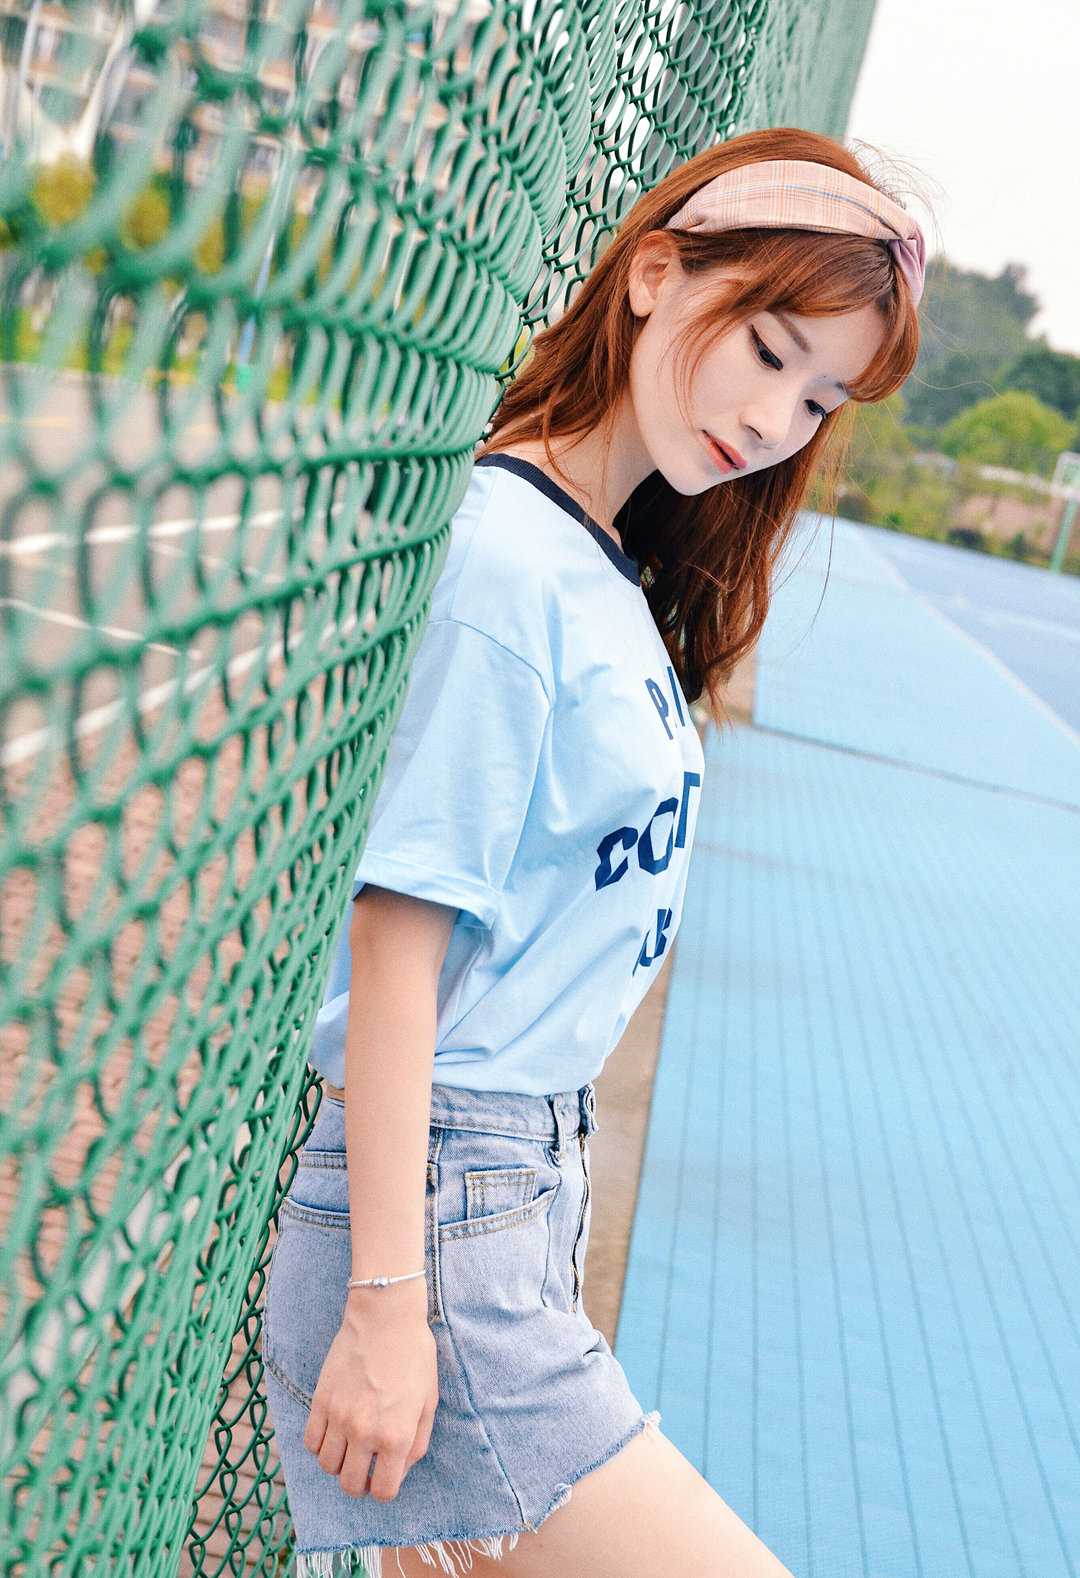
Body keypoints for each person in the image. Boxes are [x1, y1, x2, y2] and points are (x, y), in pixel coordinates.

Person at [260, 123, 927, 1578]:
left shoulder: (601, 562)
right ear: (653, 273)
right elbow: (397, 945)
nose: (775, 418)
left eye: (819, 397)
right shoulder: (508, 565)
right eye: (767, 348)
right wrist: (387, 1304)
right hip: (441, 1223)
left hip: (516, 1201)